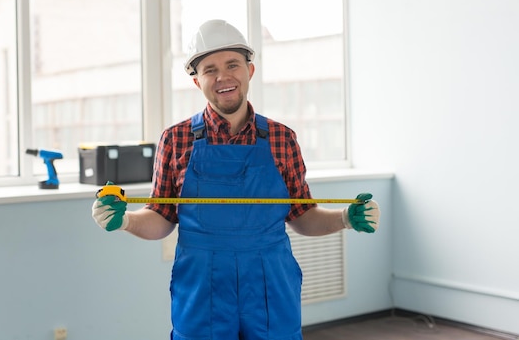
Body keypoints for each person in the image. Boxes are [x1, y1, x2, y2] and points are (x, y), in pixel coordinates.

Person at [92, 19, 380, 340]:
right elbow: (161, 217)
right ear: (197, 81)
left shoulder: (282, 139)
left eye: (232, 64)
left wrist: (345, 218)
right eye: (209, 69)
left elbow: (302, 215)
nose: (222, 77)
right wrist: (125, 221)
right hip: (203, 290)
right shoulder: (175, 139)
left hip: (271, 286)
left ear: (249, 71)